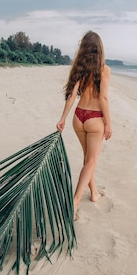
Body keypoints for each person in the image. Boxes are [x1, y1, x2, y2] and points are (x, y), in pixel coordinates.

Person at [56, 31, 112, 219]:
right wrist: (109, 124)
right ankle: (75, 201)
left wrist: (63, 118)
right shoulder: (104, 69)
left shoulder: (79, 68)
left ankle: (94, 193)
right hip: (95, 118)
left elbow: (72, 95)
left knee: (88, 159)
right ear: (100, 48)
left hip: (79, 117)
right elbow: (103, 98)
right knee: (91, 160)